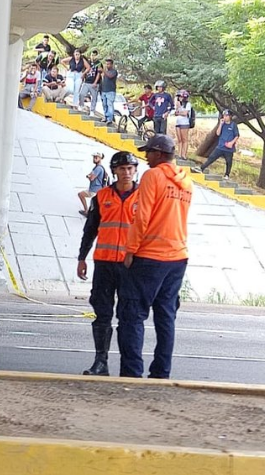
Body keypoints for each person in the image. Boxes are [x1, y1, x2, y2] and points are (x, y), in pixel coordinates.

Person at [117, 134, 191, 379]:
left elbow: (142, 217)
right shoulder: (186, 182)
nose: (145, 157)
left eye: (148, 152)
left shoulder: (153, 176)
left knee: (132, 314)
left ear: (159, 154)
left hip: (150, 256)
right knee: (165, 315)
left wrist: (130, 251)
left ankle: (132, 373)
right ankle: (161, 373)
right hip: (177, 257)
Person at [76, 150, 138, 376]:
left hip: (130, 267)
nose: (126, 173)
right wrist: (82, 258)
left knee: (128, 316)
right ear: (114, 171)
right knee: (102, 314)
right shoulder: (102, 196)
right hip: (103, 265)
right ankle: (100, 362)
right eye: (122, 169)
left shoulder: (143, 197)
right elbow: (90, 229)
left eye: (130, 168)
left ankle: (129, 366)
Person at [196, 109, 239, 177]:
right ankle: (202, 168)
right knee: (211, 157)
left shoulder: (233, 125)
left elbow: (237, 136)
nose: (224, 117)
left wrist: (231, 143)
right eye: (224, 116)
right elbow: (218, 133)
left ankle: (227, 174)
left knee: (229, 161)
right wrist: (220, 124)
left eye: (226, 116)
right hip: (220, 146)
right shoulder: (222, 124)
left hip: (228, 148)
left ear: (230, 117)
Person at [172, 90, 194, 160]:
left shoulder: (188, 104)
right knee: (179, 139)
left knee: (184, 139)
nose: (180, 98)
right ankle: (179, 154)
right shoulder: (178, 105)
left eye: (181, 97)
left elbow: (185, 113)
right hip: (178, 122)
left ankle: (183, 155)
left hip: (184, 123)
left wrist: (179, 112)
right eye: (179, 97)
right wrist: (178, 108)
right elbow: (176, 113)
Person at [98, 58, 119, 125]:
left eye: (108, 64)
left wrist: (103, 71)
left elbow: (110, 76)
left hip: (111, 91)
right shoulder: (105, 72)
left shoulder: (114, 71)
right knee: (104, 105)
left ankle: (110, 118)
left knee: (110, 104)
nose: (107, 65)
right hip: (104, 91)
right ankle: (105, 117)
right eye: (106, 64)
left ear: (112, 65)